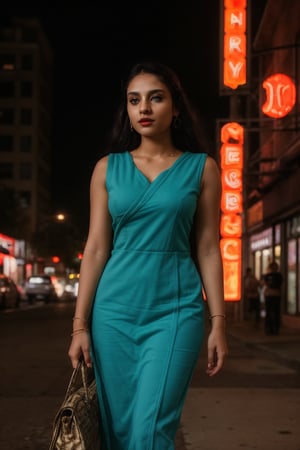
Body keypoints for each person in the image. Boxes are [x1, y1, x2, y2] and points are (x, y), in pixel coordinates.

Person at [68, 60, 228, 450]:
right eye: (134, 100)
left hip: (175, 310)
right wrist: (79, 325)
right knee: (117, 431)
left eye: (156, 98)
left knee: (151, 430)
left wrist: (218, 321)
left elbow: (207, 247)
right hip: (113, 313)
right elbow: (95, 248)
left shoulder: (202, 169)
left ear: (175, 108)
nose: (144, 108)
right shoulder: (106, 169)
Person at [263, 261, 283, 335]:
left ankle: (270, 329)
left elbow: (265, 284)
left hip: (270, 295)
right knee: (275, 312)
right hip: (276, 295)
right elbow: (280, 285)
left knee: (269, 312)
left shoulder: (268, 275)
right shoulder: (279, 275)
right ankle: (274, 329)